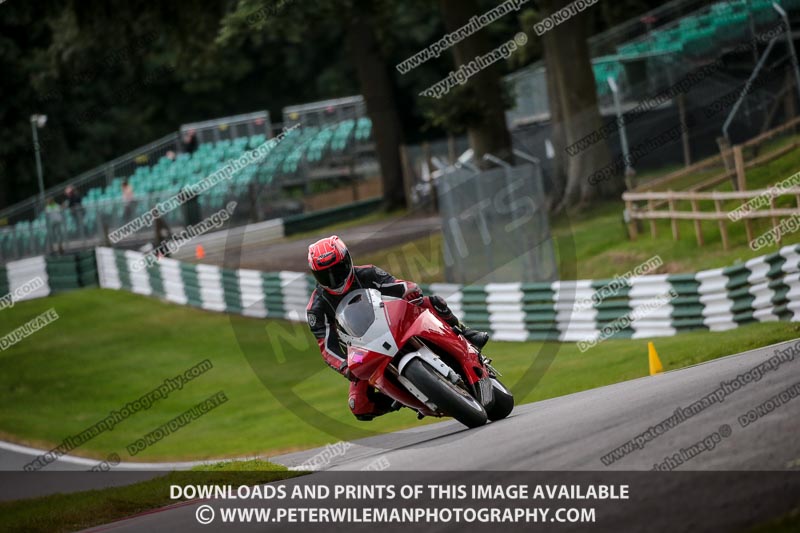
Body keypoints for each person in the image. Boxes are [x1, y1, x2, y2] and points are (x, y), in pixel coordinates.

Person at [305, 235, 489, 421]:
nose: (333, 277)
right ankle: (398, 398)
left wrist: (409, 290)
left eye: (337, 269)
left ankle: (465, 334)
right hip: (361, 351)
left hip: (390, 325)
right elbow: (327, 346)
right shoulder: (316, 308)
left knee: (431, 302)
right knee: (358, 405)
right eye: (325, 274)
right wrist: (344, 366)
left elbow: (396, 286)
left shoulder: (368, 273)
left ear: (347, 260)